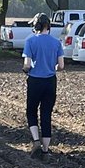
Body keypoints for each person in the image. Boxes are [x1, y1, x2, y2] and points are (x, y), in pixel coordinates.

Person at [21, 12, 64, 158]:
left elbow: (27, 64)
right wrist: (52, 67)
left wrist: (27, 69)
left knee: (31, 111)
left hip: (35, 81)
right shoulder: (56, 42)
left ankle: (36, 141)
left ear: (36, 26)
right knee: (46, 114)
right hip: (50, 82)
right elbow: (61, 65)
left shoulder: (30, 41)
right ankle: (46, 150)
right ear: (48, 26)